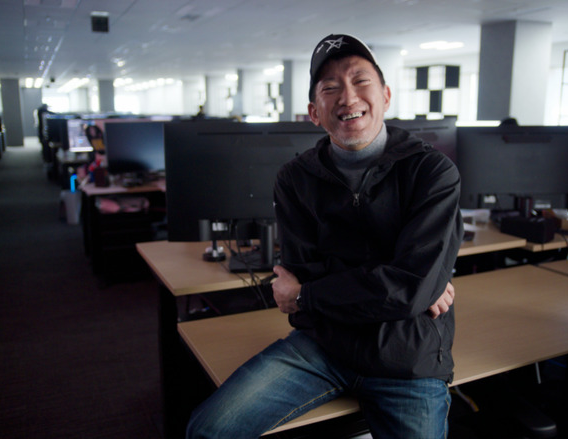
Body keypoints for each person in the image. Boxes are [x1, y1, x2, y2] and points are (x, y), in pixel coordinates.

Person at [187, 34, 463, 439]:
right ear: (314, 113)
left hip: (406, 357)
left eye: (360, 81)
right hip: (323, 347)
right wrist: (412, 286)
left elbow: (403, 288)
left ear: (386, 96)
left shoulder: (432, 172)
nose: (348, 97)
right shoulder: (294, 178)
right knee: (208, 431)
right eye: (330, 88)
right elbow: (312, 276)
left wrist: (312, 294)